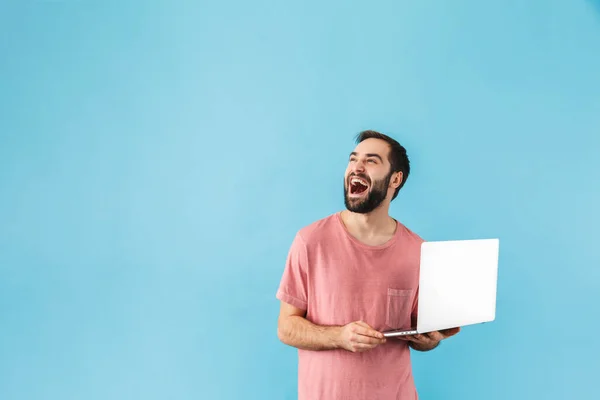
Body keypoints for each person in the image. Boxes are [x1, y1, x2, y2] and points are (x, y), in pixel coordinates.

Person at [275, 130, 461, 399]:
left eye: (371, 161)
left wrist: (430, 340)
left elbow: (421, 332)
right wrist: (339, 336)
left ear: (395, 179)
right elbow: (286, 327)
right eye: (353, 159)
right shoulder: (310, 240)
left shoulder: (419, 250)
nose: (357, 167)